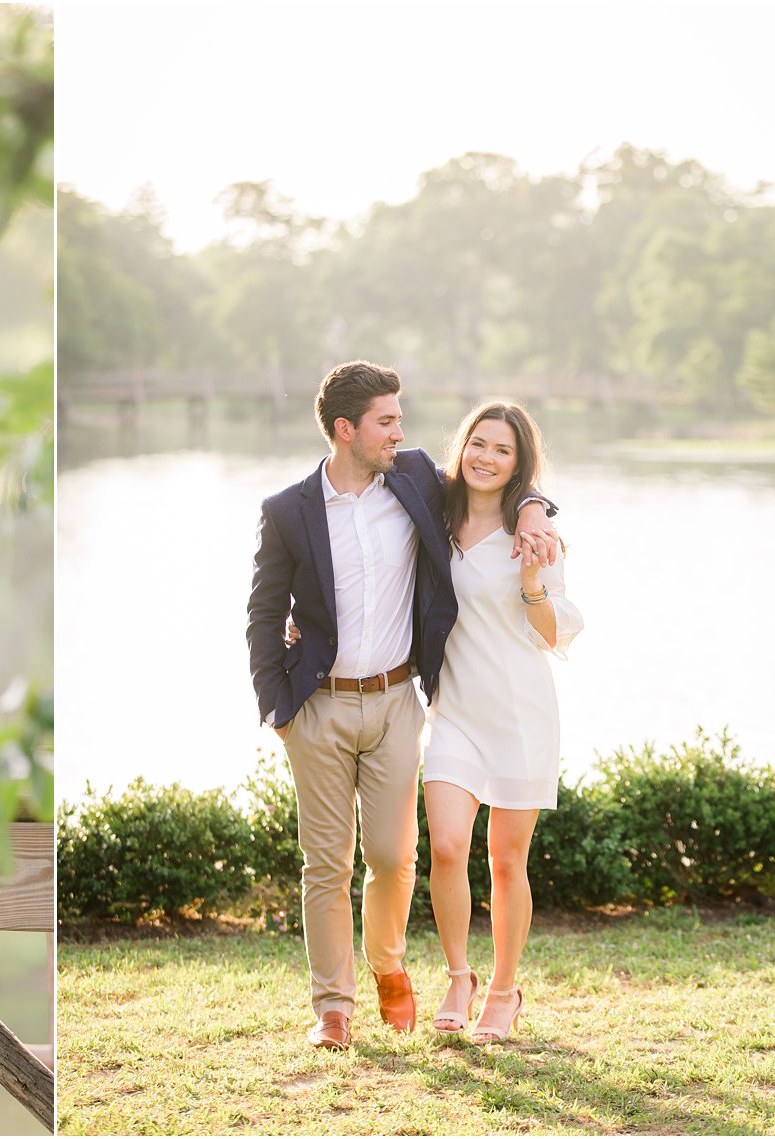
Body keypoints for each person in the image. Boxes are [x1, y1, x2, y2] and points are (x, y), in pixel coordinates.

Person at [246, 360, 558, 1052]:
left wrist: (537, 509)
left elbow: (504, 474)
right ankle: (333, 1007)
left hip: (396, 700)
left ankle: (387, 962)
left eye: (399, 419)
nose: (400, 431)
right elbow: (264, 612)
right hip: (317, 708)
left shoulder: (415, 478)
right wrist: (279, 704)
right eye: (386, 421)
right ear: (345, 429)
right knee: (324, 862)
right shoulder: (287, 511)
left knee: (393, 855)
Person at [423, 402, 582, 1043]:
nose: (486, 458)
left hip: (520, 715)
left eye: (503, 450)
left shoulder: (536, 536)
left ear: (520, 464)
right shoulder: (431, 514)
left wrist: (532, 580)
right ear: (462, 447)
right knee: (445, 848)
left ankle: (504, 989)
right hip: (453, 713)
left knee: (507, 861)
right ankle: (458, 974)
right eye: (478, 444)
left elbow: (551, 635)